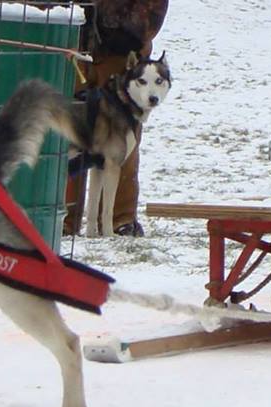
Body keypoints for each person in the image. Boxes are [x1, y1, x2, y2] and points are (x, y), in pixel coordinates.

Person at [65, 0, 169, 237]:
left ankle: (120, 220)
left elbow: (150, 16)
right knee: (70, 135)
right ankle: (65, 217)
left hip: (122, 54)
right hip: (75, 45)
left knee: (121, 140)